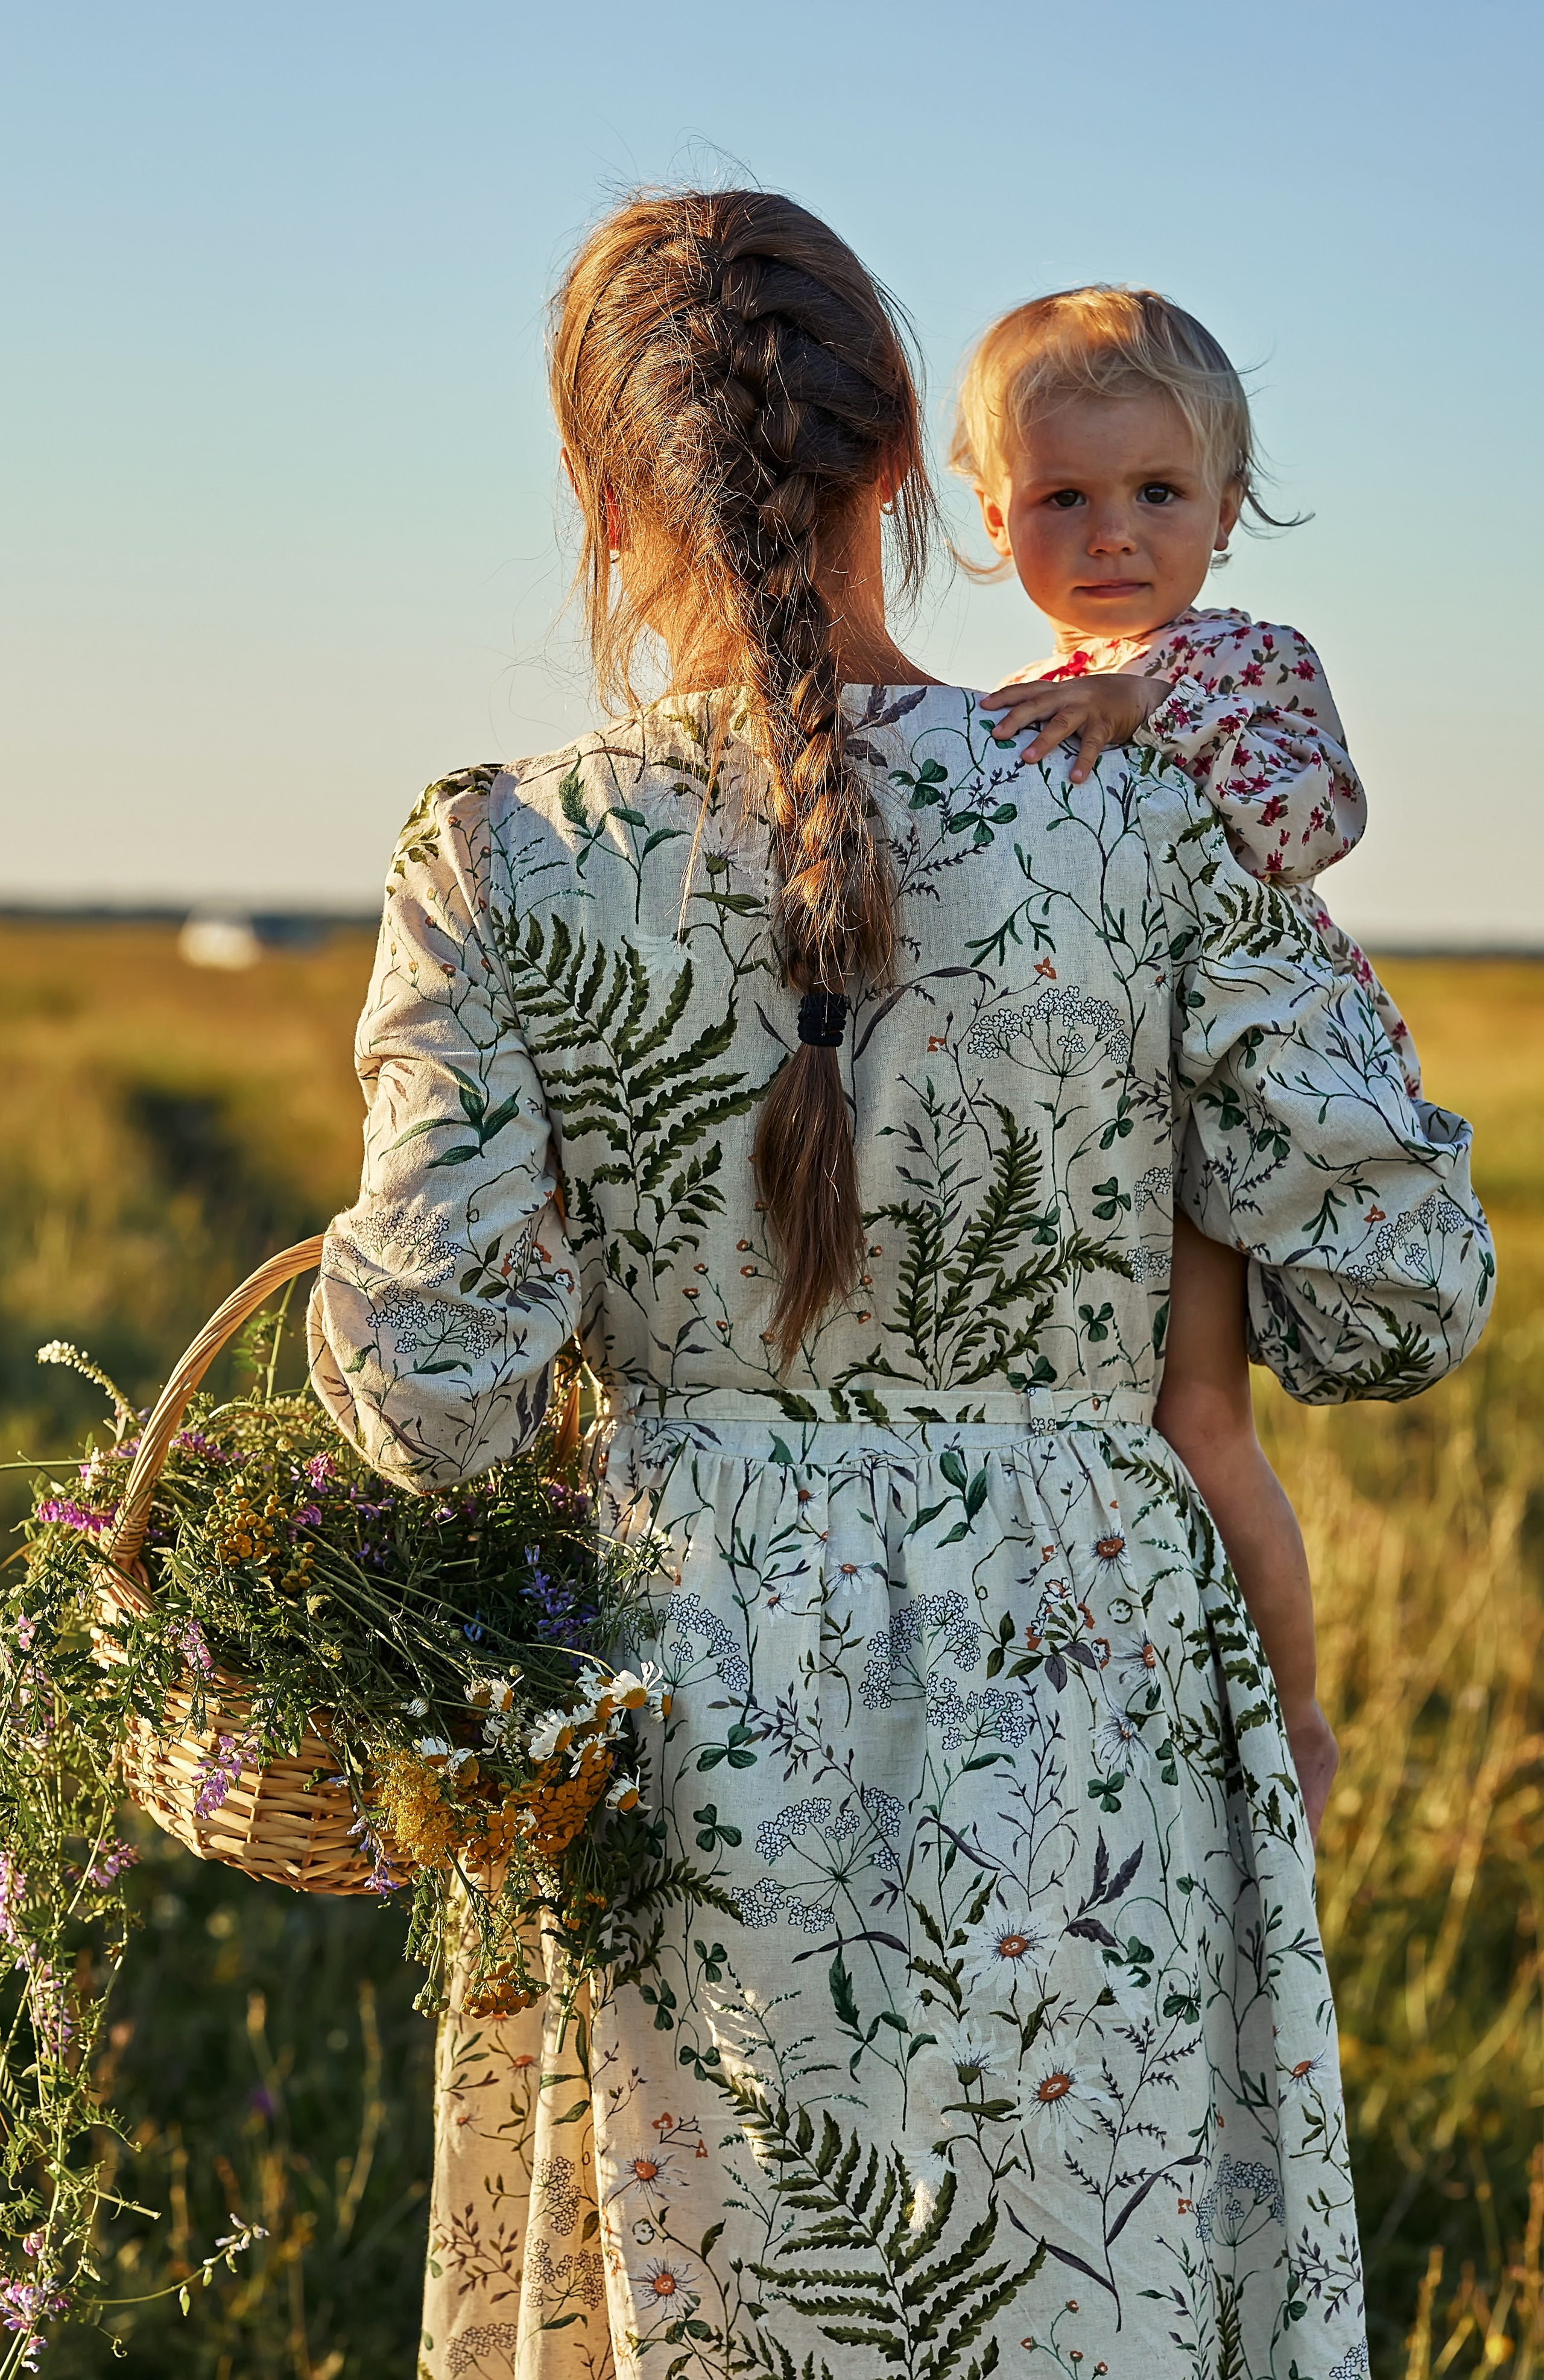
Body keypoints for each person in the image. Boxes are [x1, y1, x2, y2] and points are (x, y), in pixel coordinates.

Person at [307, 190, 1493, 2380]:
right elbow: (1398, 1298)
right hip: (1096, 1699)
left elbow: (441, 1396)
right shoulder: (1150, 803)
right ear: (902, 480)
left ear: (603, 491)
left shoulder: (499, 848)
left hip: (670, 1713)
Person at [954, 286, 1413, 1841]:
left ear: (1225, 501)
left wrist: (1160, 712)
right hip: (1103, 1099)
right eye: (1064, 498)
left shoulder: (1244, 660)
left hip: (1230, 1086)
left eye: (1157, 493)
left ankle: (1291, 1715)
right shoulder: (1039, 687)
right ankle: (1124, 1715)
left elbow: (1315, 821)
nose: (1113, 535)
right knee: (1088, 1408)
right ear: (994, 510)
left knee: (1198, 1416)